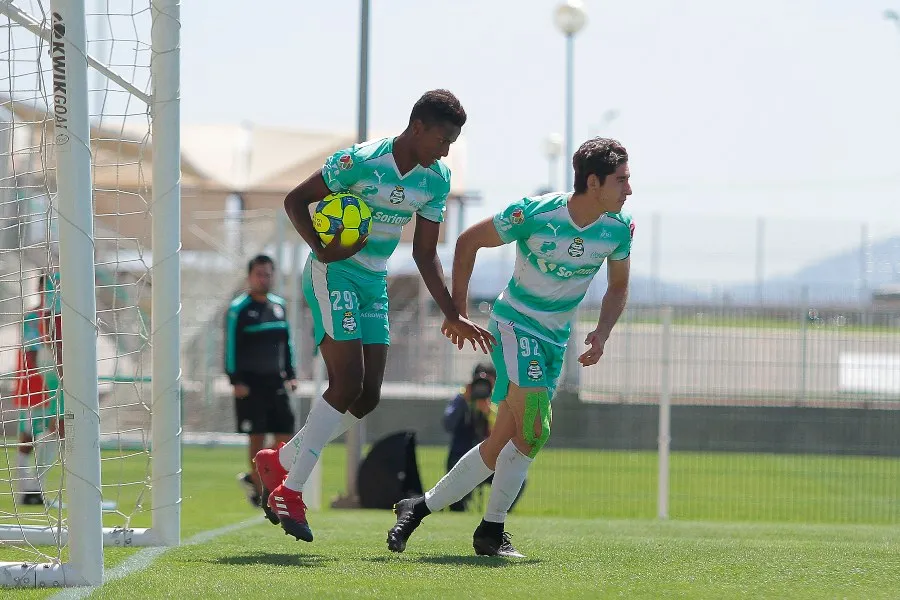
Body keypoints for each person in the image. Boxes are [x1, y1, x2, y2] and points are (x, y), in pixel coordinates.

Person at [254, 89, 495, 542]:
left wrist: (452, 313)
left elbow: (425, 252)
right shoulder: (359, 162)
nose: (447, 150)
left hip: (373, 283)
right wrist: (324, 249)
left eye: (454, 141)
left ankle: (280, 462)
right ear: (418, 127)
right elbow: (295, 201)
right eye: (443, 139)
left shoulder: (436, 179)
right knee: (345, 385)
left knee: (366, 398)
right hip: (333, 274)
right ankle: (292, 489)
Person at [387, 137, 634, 558]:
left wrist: (602, 332)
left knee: (504, 441)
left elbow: (618, 286)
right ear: (594, 182)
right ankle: (491, 529)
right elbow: (467, 243)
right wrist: (457, 312)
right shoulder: (536, 213)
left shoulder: (618, 228)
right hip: (514, 325)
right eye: (622, 180)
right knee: (537, 427)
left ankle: (420, 508)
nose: (629, 189)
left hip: (553, 340)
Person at [224, 254, 298, 508]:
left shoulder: (279, 305)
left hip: (276, 383)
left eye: (268, 274)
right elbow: (231, 347)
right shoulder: (238, 309)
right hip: (250, 385)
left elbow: (286, 343)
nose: (264, 278)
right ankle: (260, 491)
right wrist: (235, 379)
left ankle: (261, 477)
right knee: (256, 436)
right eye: (259, 274)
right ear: (250, 276)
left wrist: (291, 373)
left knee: (285, 435)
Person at [13, 271, 64, 506]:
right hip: (36, 384)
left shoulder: (68, 317)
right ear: (41, 289)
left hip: (60, 385)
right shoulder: (33, 317)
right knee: (29, 435)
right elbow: (32, 354)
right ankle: (26, 488)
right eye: (53, 287)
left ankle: (38, 488)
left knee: (59, 430)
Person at [443, 363, 495, 512]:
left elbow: (502, 433)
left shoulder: (498, 400)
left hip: (490, 460)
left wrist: (488, 410)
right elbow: (448, 424)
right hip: (460, 456)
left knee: (518, 480)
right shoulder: (462, 397)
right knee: (457, 503)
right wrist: (464, 401)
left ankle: (499, 513)